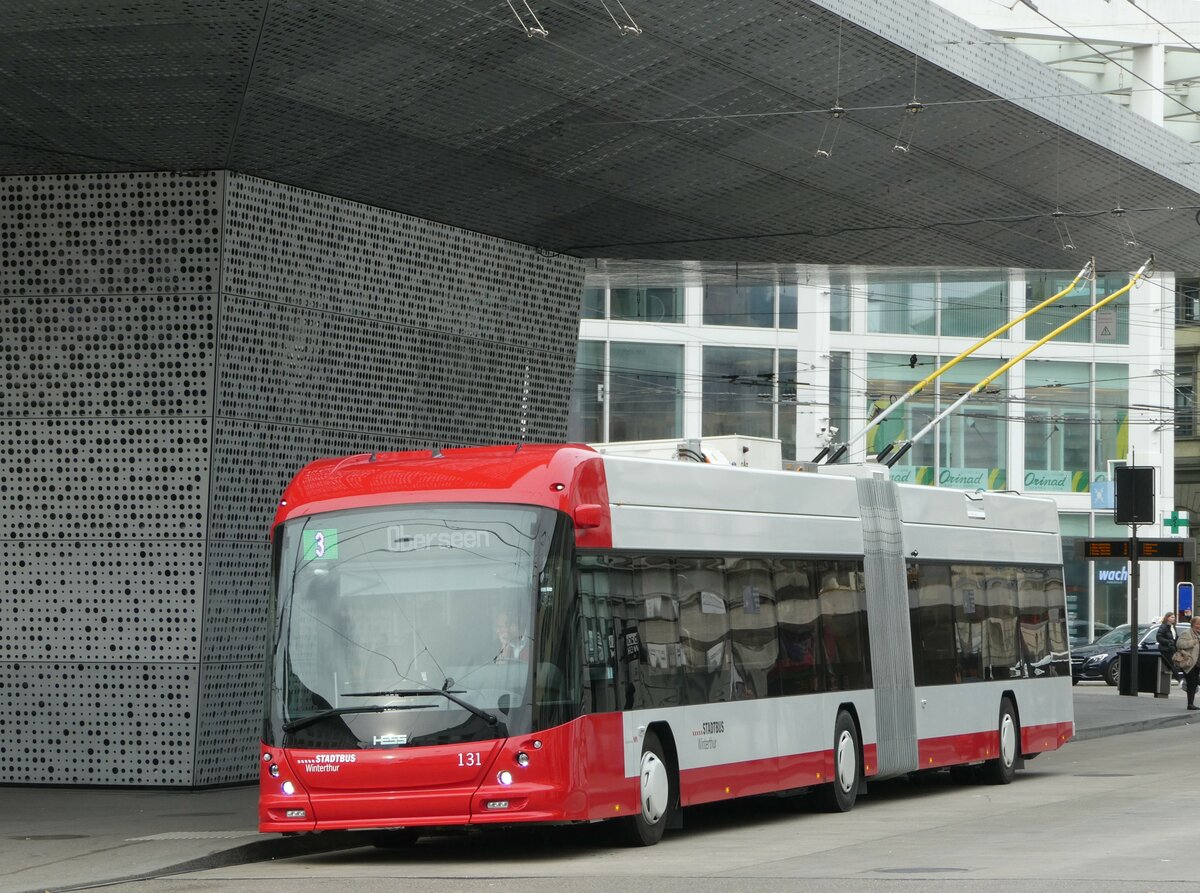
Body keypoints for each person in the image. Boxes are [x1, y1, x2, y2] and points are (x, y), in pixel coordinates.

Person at [1173, 616, 1200, 710]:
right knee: (1191, 682)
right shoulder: (1187, 633)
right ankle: (1190, 704)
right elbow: (1179, 644)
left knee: (1195, 683)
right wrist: (1194, 642)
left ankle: (1191, 703)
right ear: (1193, 624)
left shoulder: (1198, 634)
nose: (1199, 626)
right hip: (1188, 662)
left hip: (1197, 663)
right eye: (1197, 624)